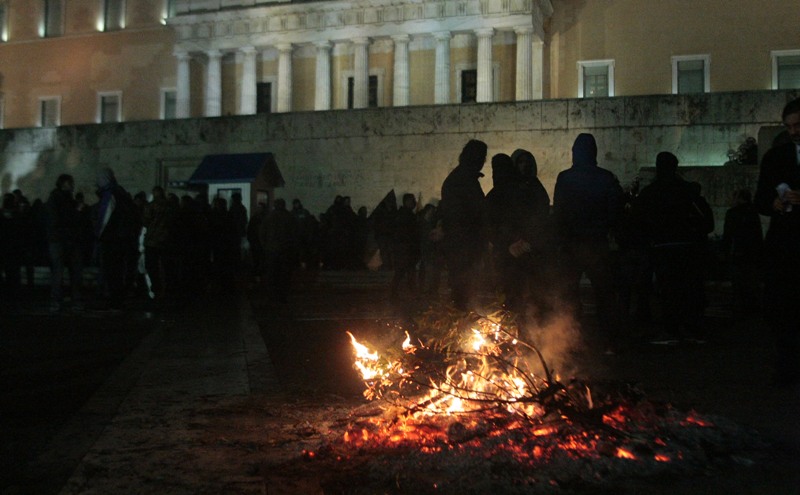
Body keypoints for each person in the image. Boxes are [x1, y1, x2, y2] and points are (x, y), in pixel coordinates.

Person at [633, 152, 715, 344]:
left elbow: (638, 221)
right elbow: (706, 220)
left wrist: (648, 240)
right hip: (688, 246)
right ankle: (692, 328)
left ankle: (671, 329)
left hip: (663, 247)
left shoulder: (650, 193)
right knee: (689, 288)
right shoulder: (687, 191)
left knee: (668, 290)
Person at [552, 133, 624, 350]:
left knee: (570, 293)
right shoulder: (607, 178)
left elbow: (559, 213)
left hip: (571, 244)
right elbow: (616, 211)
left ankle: (571, 339)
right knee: (604, 293)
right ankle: (608, 340)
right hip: (596, 243)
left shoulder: (564, 178)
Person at [753, 97, 800, 387]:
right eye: (790, 126)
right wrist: (773, 203)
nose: (794, 131)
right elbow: (759, 200)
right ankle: (787, 366)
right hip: (784, 246)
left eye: (798, 125)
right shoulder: (776, 158)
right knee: (782, 310)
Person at [439, 139, 489, 310]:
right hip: (464, 247)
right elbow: (467, 214)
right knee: (464, 292)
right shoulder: (462, 180)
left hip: (463, 246)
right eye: (482, 158)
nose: (483, 162)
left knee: (465, 292)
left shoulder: (463, 178)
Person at [95, 167, 139, 310]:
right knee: (119, 271)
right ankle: (119, 298)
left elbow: (105, 218)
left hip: (112, 239)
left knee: (112, 271)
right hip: (123, 239)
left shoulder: (110, 194)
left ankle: (115, 300)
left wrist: (98, 236)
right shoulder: (122, 193)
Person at [45, 174, 84, 312]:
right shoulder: (60, 200)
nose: (72, 185)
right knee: (65, 271)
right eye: (70, 183)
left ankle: (59, 300)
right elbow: (59, 220)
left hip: (62, 239)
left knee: (61, 271)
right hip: (62, 240)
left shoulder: (58, 199)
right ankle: (66, 300)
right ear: (64, 184)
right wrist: (76, 213)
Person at [721, 189, 763, 315]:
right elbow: (758, 234)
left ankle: (739, 307)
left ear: (738, 198)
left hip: (738, 251)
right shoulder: (753, 212)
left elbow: (728, 235)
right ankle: (751, 306)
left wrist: (725, 251)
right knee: (751, 281)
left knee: (738, 281)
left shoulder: (732, 213)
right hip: (752, 252)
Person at [142, 186, 178, 307]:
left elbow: (146, 221)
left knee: (152, 266)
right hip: (168, 241)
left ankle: (156, 289)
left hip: (152, 241)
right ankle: (168, 290)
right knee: (167, 267)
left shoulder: (151, 206)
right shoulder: (171, 206)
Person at [259, 198, 298, 302]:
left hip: (271, 250)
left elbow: (262, 233)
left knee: (272, 272)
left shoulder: (269, 217)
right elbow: (294, 234)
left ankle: (272, 294)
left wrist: (265, 246)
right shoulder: (289, 217)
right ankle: (282, 294)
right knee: (284, 273)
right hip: (285, 250)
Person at [390, 193, 420, 298]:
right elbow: (406, 233)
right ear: (407, 201)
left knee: (407, 272)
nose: (414, 202)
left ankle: (410, 292)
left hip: (406, 249)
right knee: (402, 272)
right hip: (405, 249)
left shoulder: (405, 215)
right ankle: (398, 292)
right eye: (413, 200)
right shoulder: (405, 215)